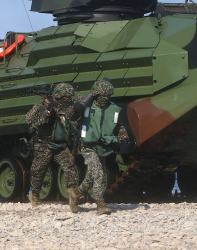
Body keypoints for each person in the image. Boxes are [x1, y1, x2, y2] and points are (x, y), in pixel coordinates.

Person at [68, 79, 129, 215]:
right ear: (96, 94)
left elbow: (117, 125)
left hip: (103, 145)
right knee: (98, 172)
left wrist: (124, 137)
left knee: (91, 176)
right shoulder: (85, 105)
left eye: (108, 96)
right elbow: (70, 117)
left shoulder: (112, 108)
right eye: (103, 96)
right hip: (87, 145)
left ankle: (75, 193)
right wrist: (75, 109)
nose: (105, 99)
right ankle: (100, 205)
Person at [25, 83, 80, 209]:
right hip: (43, 144)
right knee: (38, 171)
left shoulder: (68, 107)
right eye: (67, 96)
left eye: (71, 96)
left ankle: (72, 193)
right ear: (59, 96)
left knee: (69, 166)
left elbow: (74, 121)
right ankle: (35, 195)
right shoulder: (42, 106)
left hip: (60, 145)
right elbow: (30, 121)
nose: (69, 99)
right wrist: (48, 112)